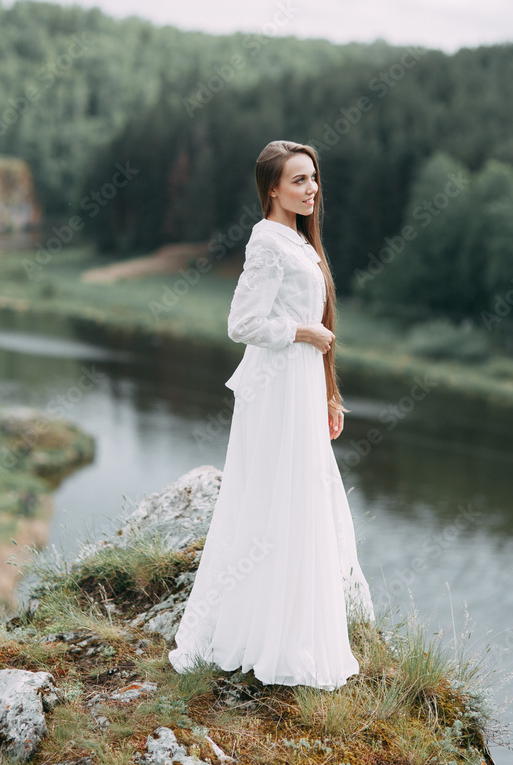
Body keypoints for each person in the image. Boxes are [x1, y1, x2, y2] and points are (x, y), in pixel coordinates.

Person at [168, 139, 374, 689]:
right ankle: (259, 631)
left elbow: (316, 316)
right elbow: (242, 324)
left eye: (313, 178)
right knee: (276, 498)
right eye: (299, 180)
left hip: (303, 384)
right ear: (273, 189)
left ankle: (294, 626)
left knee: (303, 497)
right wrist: (303, 334)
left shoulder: (301, 243)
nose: (311, 189)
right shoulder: (267, 243)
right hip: (277, 387)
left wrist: (330, 394)